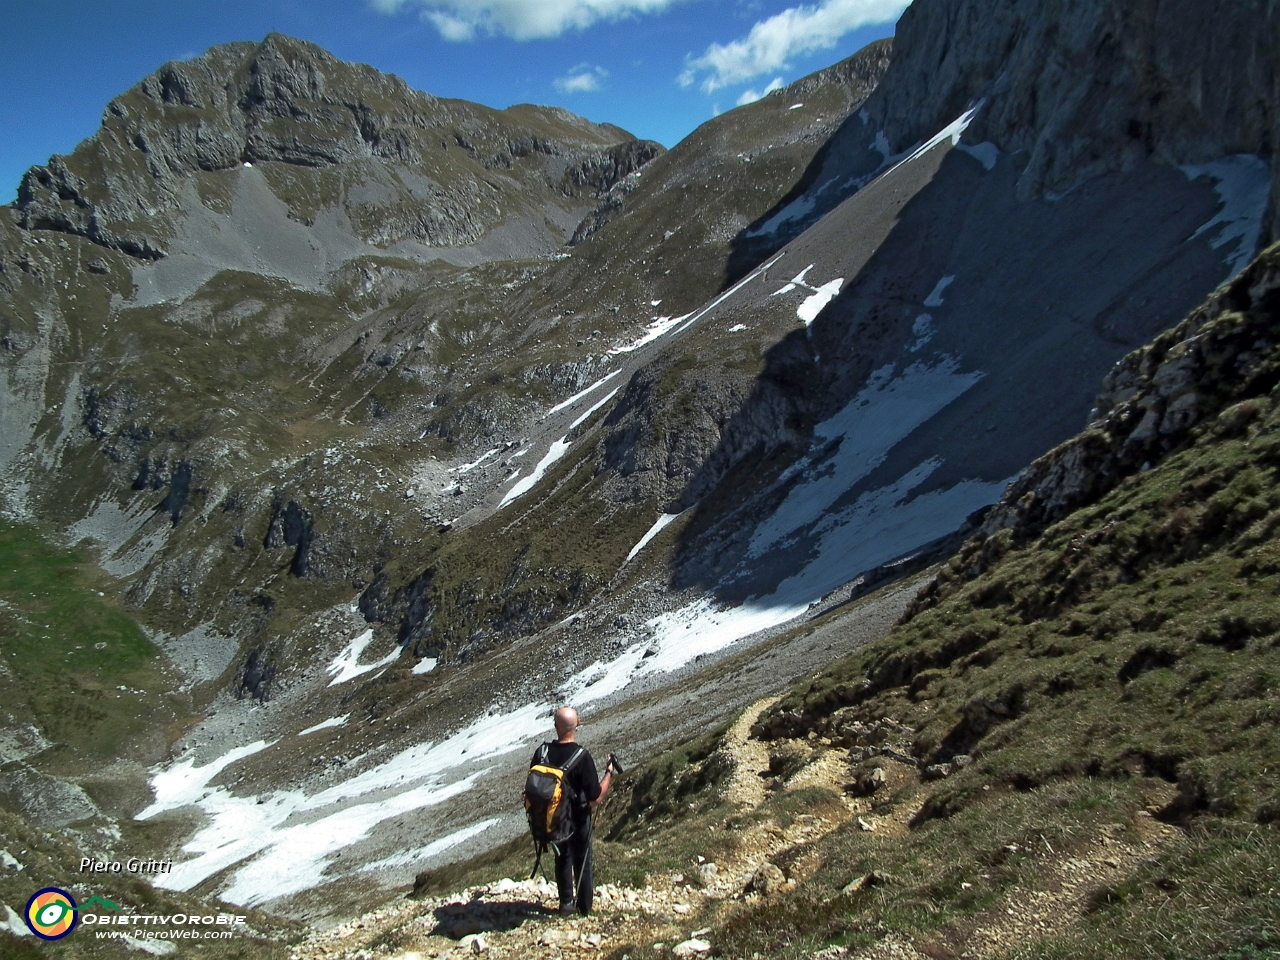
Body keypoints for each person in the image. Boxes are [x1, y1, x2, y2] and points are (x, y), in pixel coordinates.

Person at [530, 705, 614, 916]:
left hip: (553, 819)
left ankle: (565, 903)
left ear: (555, 726)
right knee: (582, 859)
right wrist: (609, 774)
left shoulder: (542, 752)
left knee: (562, 857)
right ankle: (584, 907)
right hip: (577, 817)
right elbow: (595, 797)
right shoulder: (582, 756)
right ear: (578, 723)